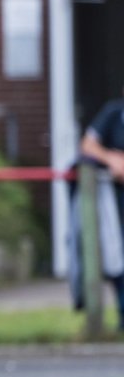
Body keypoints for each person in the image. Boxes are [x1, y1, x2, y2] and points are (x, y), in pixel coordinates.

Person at [75, 88, 124, 326]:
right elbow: (88, 145)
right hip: (116, 199)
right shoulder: (114, 113)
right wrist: (111, 158)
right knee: (117, 256)